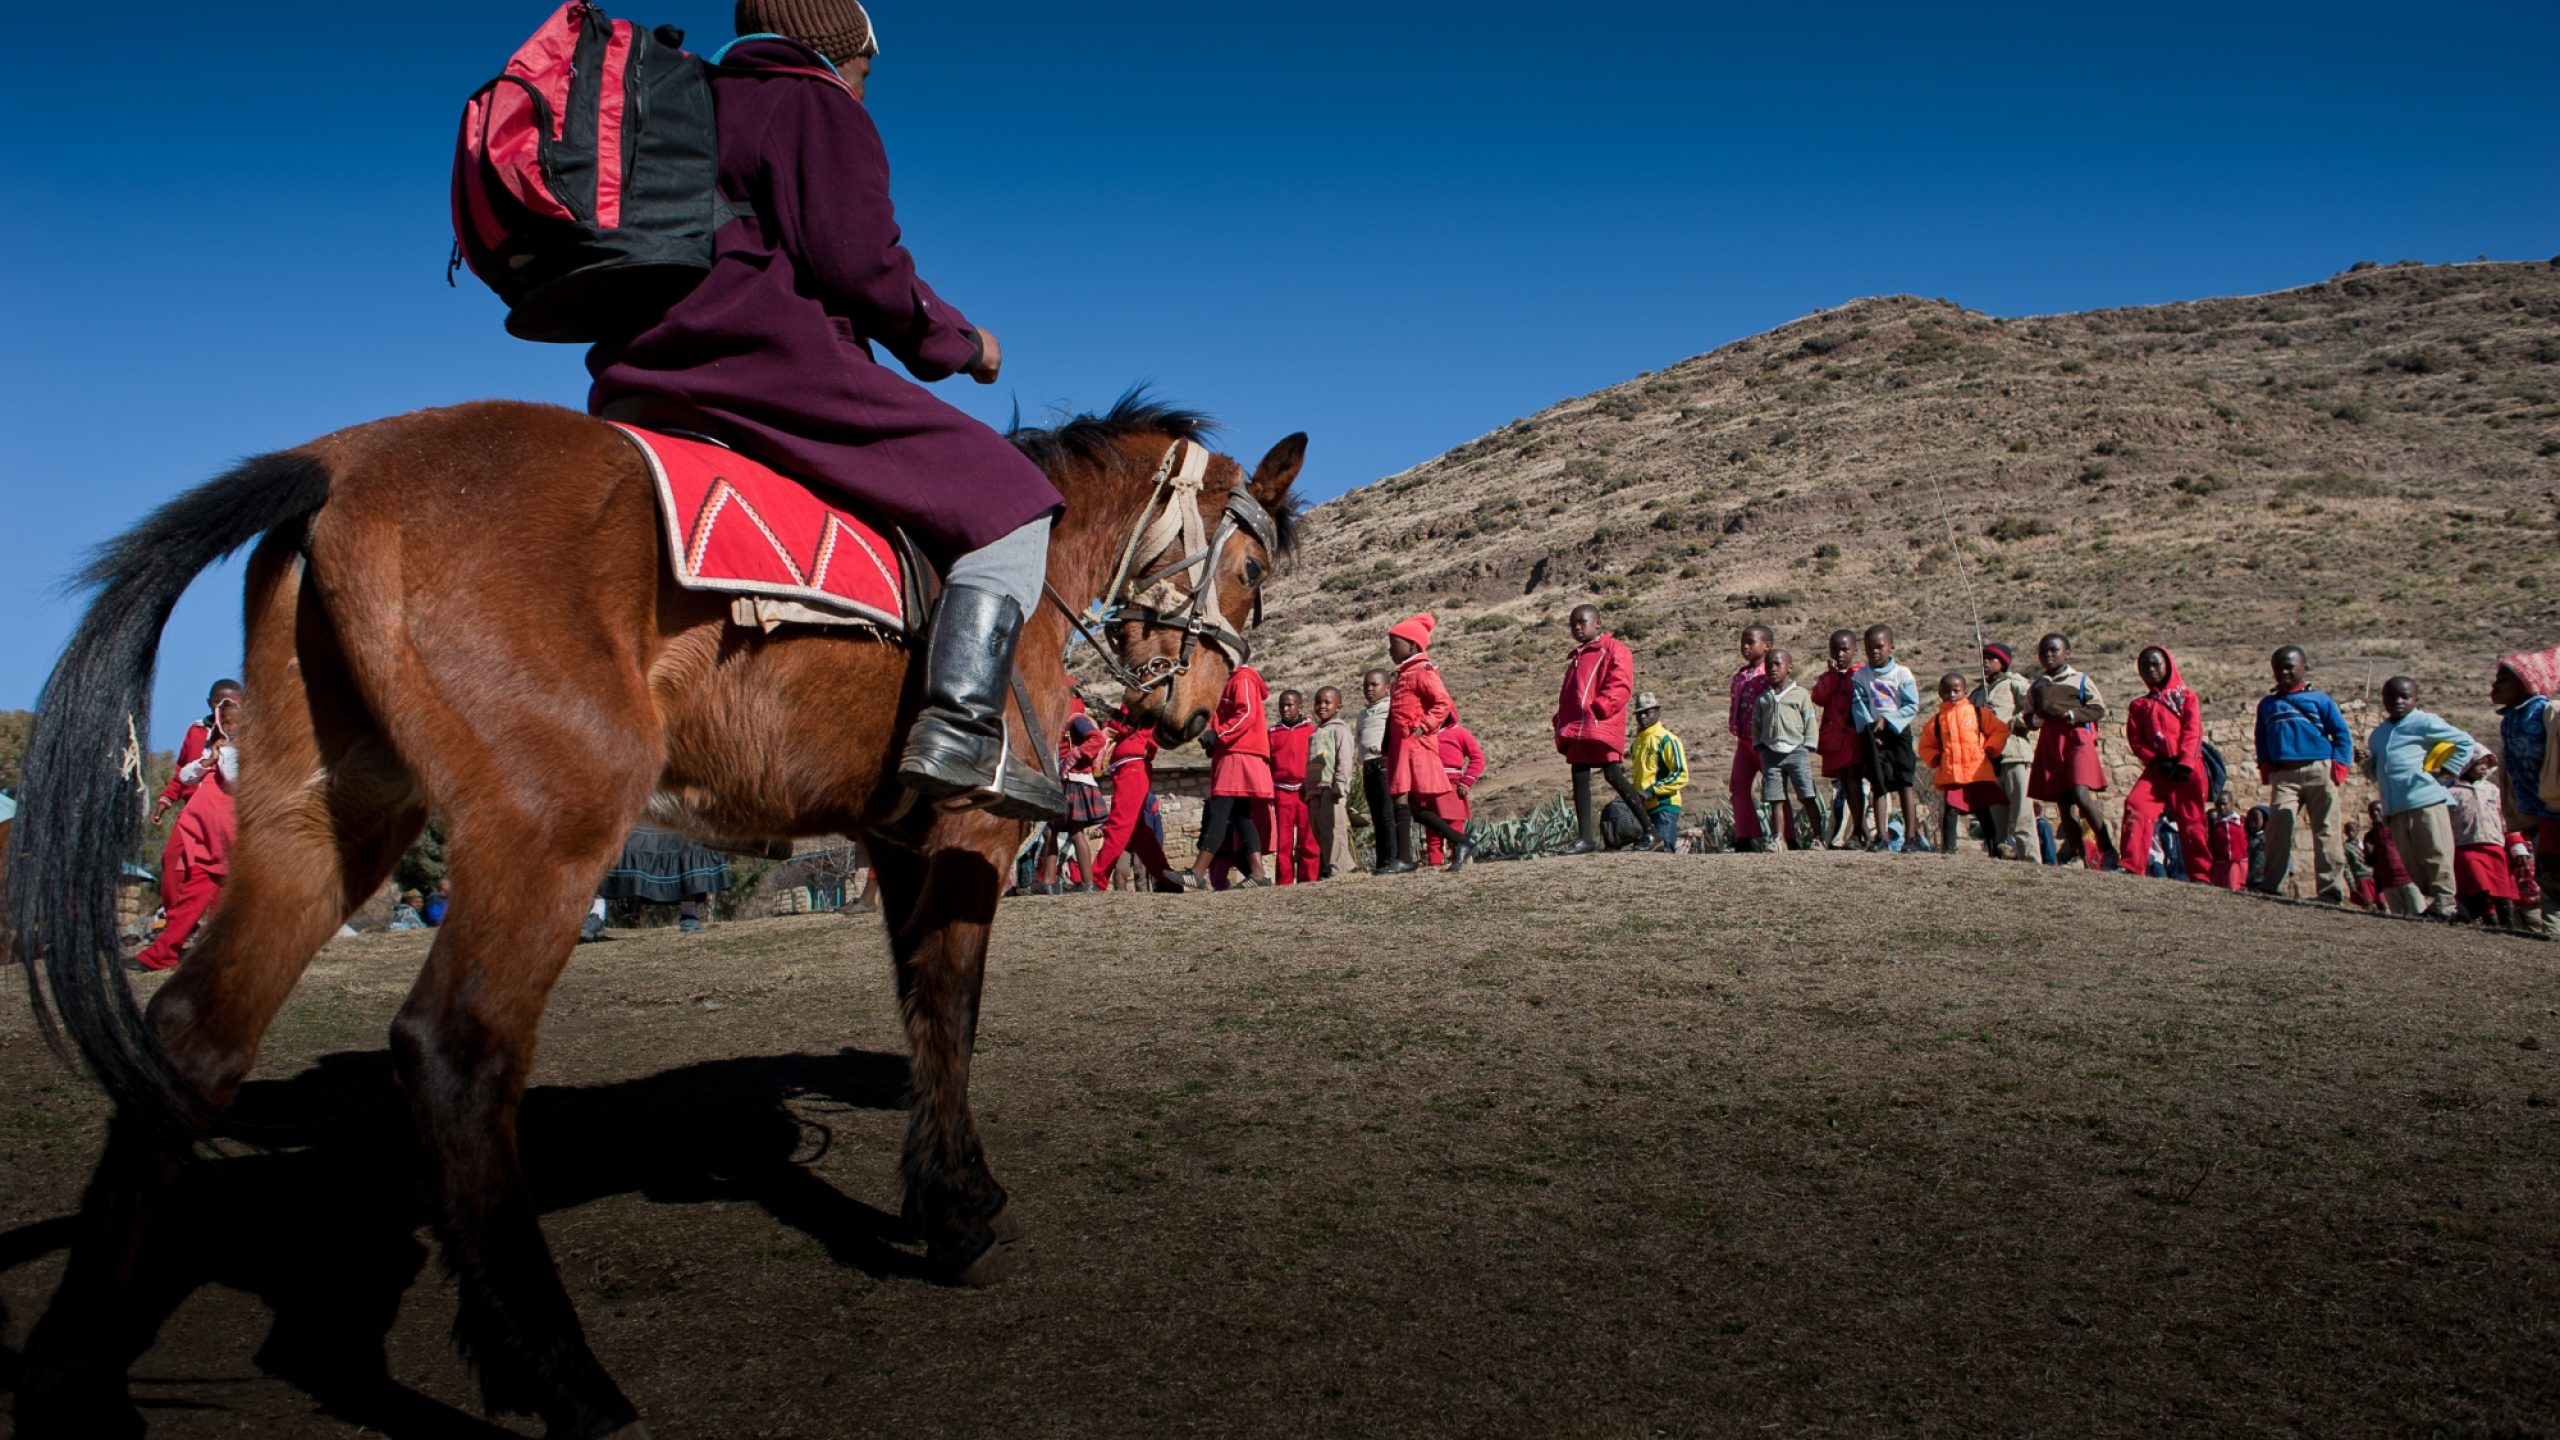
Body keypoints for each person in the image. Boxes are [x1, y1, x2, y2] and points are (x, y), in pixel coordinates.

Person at [585, 0, 1062, 821]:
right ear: (839, 53)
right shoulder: (807, 97)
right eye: (867, 73)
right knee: (1014, 499)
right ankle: (961, 732)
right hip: (765, 367)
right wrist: (960, 343)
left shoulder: (687, 104)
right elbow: (860, 265)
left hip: (640, 369)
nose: (864, 93)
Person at [2363, 676, 2479, 919]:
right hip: (2394, 808)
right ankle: (2454, 905)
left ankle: (2445, 904)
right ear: (2383, 700)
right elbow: (2376, 773)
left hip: (2425, 800)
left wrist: (2449, 770)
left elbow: (2464, 741)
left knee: (2435, 852)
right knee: (2412, 862)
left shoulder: (2424, 722)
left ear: (2416, 699)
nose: (2398, 701)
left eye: (2405, 696)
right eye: (2391, 697)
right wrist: (2366, 762)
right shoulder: (2378, 735)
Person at [132, 714, 241, 972]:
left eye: (236, 723)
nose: (230, 728)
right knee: (191, 896)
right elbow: (185, 774)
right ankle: (163, 952)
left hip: (232, 840)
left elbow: (234, 777)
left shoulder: (247, 752)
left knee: (226, 902)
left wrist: (223, 753)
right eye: (224, 723)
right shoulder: (208, 744)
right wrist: (209, 758)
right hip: (207, 838)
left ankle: (222, 952)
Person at [2252, 645, 2354, 901]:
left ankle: (2330, 891)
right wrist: (2267, 768)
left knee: (2327, 831)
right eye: (2279, 668)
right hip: (2284, 775)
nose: (2284, 672)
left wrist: (2339, 766)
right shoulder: (2267, 704)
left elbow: (2341, 734)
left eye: (2290, 667)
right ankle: (2273, 885)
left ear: (2304, 668)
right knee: (2277, 827)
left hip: (2320, 770)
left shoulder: (2320, 700)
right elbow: (2261, 739)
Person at [1378, 614, 1473, 873]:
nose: (1389, 649)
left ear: (1412, 645)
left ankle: (1404, 858)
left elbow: (1443, 703)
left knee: (1402, 798)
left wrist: (1424, 726)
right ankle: (1461, 841)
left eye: (1394, 643)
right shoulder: (1404, 674)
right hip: (1402, 747)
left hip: (1415, 746)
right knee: (1415, 807)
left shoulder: (1422, 672)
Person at [1552, 604, 1648, 856]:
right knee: (1581, 773)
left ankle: (1650, 830)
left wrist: (1603, 706)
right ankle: (1585, 838)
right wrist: (1561, 720)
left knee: (1612, 773)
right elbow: (1569, 696)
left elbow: (1621, 684)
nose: (1577, 627)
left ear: (1597, 623)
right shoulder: (1577, 657)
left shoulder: (1614, 649)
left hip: (1599, 722)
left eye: (1582, 622)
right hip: (1581, 726)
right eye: (1573, 624)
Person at [2020, 632, 2115, 870]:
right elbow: (2029, 717)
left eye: (2054, 650)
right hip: (2052, 741)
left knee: (2080, 792)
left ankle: (2107, 847)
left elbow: (2097, 708)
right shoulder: (2037, 687)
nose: (2048, 655)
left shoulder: (2080, 680)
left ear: (2067, 653)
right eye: (2043, 652)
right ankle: (2078, 855)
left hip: (2076, 739)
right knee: (2063, 800)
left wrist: (2072, 715)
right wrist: (2037, 719)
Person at [2120, 645, 2212, 883]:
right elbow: (2136, 740)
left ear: (2168, 664)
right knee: (2136, 804)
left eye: (2155, 664)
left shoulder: (2186, 696)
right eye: (2144, 666)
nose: (2150, 670)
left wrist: (2184, 762)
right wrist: (2154, 760)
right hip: (2158, 770)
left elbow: (2193, 731)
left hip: (2187, 770)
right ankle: (2131, 864)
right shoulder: (2139, 705)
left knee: (2192, 820)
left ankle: (2201, 874)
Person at [1181, 661, 1273, 890]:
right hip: (1231, 752)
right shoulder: (1230, 680)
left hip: (1238, 753)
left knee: (1219, 809)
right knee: (1242, 815)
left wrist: (1218, 735)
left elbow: (1247, 713)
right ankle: (1258, 873)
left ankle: (1197, 872)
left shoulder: (1243, 679)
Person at [2490, 646, 2560, 938]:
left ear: (2527, 683)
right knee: (2551, 874)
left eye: (2503, 679)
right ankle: (2553, 934)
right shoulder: (2510, 721)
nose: (2494, 686)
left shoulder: (2550, 713)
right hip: (2541, 815)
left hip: (2556, 807)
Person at [1913, 670, 2008, 857]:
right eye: (1947, 691)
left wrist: (1990, 748)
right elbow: (1926, 745)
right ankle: (1949, 849)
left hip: (1976, 772)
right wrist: (1935, 758)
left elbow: (2000, 730)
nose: (1952, 695)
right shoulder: (1936, 722)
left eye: (1956, 690)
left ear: (1965, 692)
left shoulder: (1978, 714)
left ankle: (1993, 848)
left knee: (1982, 811)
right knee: (1951, 809)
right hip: (1953, 773)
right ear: (1940, 694)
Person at [1850, 625, 1924, 853]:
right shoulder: (1861, 676)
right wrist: (1871, 727)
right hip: (1873, 734)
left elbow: (1911, 705)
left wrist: (1889, 721)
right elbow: (1858, 704)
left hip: (1899, 733)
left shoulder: (1902, 674)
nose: (1874, 651)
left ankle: (1911, 837)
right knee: (1878, 783)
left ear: (1891, 646)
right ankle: (1880, 837)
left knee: (1904, 781)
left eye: (1880, 646)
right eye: (1869, 647)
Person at [1091, 706, 1180, 891]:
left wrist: (1108, 719)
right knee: (1141, 834)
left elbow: (1123, 726)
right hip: (1131, 765)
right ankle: (1167, 881)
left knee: (1118, 824)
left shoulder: (1140, 697)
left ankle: (1095, 879)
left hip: (1131, 765)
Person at [1752, 650, 1825, 850]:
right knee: (1775, 798)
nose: (1772, 669)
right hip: (1771, 753)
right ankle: (1778, 839)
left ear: (1789, 667)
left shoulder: (1800, 694)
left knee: (1806, 795)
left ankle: (1819, 837)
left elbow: (1809, 719)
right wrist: (1758, 743)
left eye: (1777, 664)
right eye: (1769, 666)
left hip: (1796, 751)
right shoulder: (1763, 698)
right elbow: (1756, 722)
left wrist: (1809, 743)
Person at [2441, 752, 2518, 927]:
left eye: (2486, 764)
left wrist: (2515, 844)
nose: (2484, 768)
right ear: (2466, 766)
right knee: (2477, 885)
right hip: (2465, 845)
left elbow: (2504, 816)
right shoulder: (2449, 791)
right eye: (2479, 764)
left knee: (2501, 888)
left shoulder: (2492, 790)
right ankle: (2487, 921)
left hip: (2493, 843)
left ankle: (2508, 924)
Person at [1973, 644, 2034, 859]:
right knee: (1996, 818)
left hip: (2014, 754)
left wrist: (2010, 722)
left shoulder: (2015, 684)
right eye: (1984, 658)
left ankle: (2032, 860)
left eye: (1991, 658)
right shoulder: (1979, 692)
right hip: (1990, 760)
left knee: (2022, 815)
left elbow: (2032, 709)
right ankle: (2000, 861)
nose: (1986, 662)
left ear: (2003, 662)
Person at [1811, 630, 1869, 848]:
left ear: (1855, 650)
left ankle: (1859, 830)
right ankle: (1858, 830)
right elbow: (1818, 697)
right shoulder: (1828, 677)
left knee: (1854, 781)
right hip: (1835, 739)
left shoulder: (1861, 673)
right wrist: (1833, 676)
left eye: (1845, 649)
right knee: (1845, 782)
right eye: (1835, 649)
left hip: (1855, 737)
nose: (1840, 654)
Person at [1726, 625, 1777, 851]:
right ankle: (1745, 835)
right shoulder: (1739, 676)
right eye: (1742, 643)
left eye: (1751, 642)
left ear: (1766, 646)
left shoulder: (1771, 674)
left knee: (1775, 788)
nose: (1745, 647)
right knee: (1738, 785)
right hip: (1744, 742)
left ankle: (1784, 835)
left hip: (1765, 742)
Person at [1267, 690, 1321, 885]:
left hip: (1305, 792)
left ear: (1300, 707)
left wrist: (1313, 783)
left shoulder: (1312, 731)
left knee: (1309, 840)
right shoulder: (1273, 733)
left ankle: (1309, 880)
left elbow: (1319, 760)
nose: (1285, 709)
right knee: (1283, 842)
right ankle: (1284, 882)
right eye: (1282, 705)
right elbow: (1268, 762)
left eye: (1290, 705)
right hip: (1281, 791)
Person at [1307, 686, 1358, 879]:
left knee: (1334, 830)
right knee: (1320, 831)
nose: (1322, 706)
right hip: (1315, 790)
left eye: (1327, 702)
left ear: (1338, 707)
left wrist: (1340, 782)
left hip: (1331, 788)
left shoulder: (1340, 730)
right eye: (1318, 702)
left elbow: (1344, 758)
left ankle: (1336, 869)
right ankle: (1346, 865)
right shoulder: (1315, 733)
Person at [1629, 693, 1689, 853]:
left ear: (1657, 712)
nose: (1642, 716)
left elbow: (1680, 774)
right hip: (1644, 810)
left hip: (1664, 807)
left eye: (1647, 712)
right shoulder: (1636, 744)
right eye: (1639, 713)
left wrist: (1651, 791)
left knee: (1662, 853)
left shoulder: (1668, 740)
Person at [1427, 717, 1487, 867]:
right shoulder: (1425, 734)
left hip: (1452, 785)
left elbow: (1477, 758)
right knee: (1431, 826)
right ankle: (1434, 863)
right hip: (1428, 784)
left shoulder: (1460, 733)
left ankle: (1457, 860)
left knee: (1454, 824)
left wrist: (1467, 781)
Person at [1356, 669, 1394, 872]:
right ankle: (1381, 861)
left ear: (1387, 688)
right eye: (1366, 685)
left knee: (1387, 814)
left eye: (1374, 685)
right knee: (1376, 816)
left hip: (1383, 764)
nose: (1369, 689)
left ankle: (1391, 859)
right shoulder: (1363, 714)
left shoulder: (1389, 708)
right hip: (1368, 766)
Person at [2364, 800, 2418, 914]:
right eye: (2372, 811)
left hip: (2408, 878)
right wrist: (2369, 853)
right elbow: (2370, 862)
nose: (2375, 813)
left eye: (2378, 810)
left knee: (2418, 913)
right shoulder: (2370, 836)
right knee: (2398, 919)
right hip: (2388, 884)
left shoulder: (2397, 828)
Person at [2207, 792, 2248, 891]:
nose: (2221, 807)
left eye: (2224, 804)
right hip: (2220, 863)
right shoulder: (2215, 824)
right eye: (2218, 805)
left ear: (2232, 804)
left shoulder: (2241, 822)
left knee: (2232, 887)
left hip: (2236, 862)